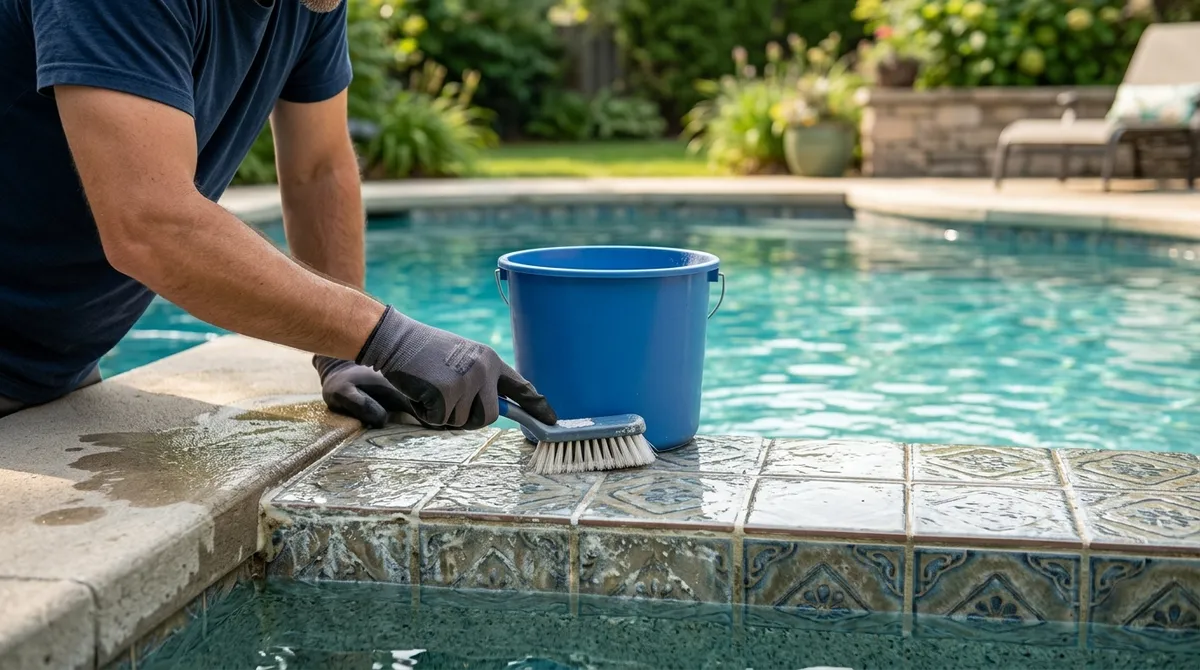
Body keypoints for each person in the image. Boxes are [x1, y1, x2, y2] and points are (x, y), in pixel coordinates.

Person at [0, 0, 558, 430]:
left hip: (51, 369)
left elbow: (318, 166)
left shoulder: (309, 4)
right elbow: (151, 224)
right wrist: (391, 339)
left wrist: (342, 353)